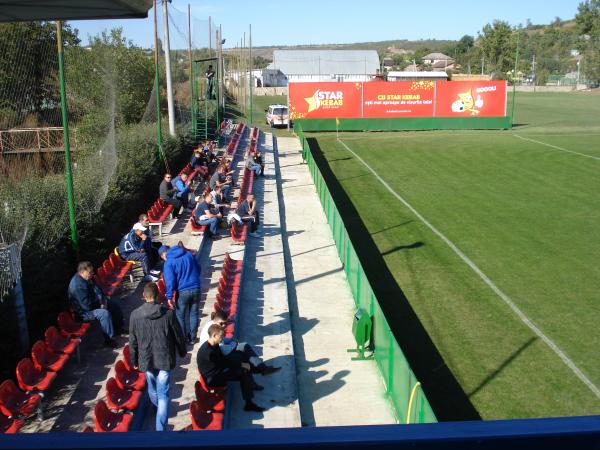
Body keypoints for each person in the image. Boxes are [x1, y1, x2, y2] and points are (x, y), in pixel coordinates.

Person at [129, 282, 187, 431]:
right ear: (158, 295)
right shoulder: (168, 314)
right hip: (164, 360)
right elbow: (178, 336)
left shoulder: (135, 315)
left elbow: (132, 341)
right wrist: (182, 351)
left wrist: (134, 360)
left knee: (153, 388)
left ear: (143, 296)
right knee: (163, 394)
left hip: (146, 360)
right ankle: (160, 430)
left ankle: (157, 410)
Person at [197, 324, 265, 412]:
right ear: (214, 335)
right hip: (213, 378)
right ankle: (249, 403)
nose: (222, 339)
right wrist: (241, 364)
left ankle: (250, 394)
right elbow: (224, 364)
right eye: (221, 336)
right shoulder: (208, 352)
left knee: (242, 365)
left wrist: (241, 363)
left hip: (217, 371)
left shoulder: (214, 344)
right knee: (243, 371)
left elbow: (223, 360)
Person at [199, 310, 280, 376]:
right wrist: (235, 344)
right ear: (215, 320)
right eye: (221, 323)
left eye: (225, 323)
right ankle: (261, 370)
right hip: (214, 358)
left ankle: (262, 370)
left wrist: (231, 340)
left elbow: (223, 341)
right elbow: (223, 349)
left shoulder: (213, 325)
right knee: (243, 355)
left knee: (245, 347)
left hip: (219, 352)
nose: (224, 325)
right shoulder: (213, 331)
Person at [68, 261, 125, 348]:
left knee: (114, 304)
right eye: (90, 272)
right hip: (83, 313)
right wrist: (100, 304)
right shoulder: (77, 286)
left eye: (92, 271)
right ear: (82, 272)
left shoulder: (88, 277)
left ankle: (118, 329)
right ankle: (109, 340)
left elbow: (97, 289)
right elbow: (86, 306)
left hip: (95, 303)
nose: (92, 274)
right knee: (104, 314)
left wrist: (103, 301)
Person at [159, 245, 202, 345]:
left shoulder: (169, 262)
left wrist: (169, 297)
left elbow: (170, 281)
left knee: (180, 316)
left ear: (164, 254)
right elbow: (198, 269)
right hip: (196, 288)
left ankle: (183, 339)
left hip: (182, 292)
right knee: (194, 314)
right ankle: (192, 338)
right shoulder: (188, 254)